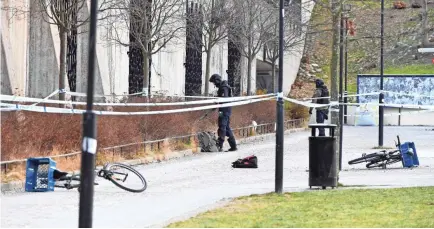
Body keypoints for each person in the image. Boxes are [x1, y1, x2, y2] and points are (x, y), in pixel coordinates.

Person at [209, 73, 237, 152]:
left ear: (217, 80)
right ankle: (233, 146)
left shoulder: (224, 87)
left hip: (224, 110)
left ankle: (219, 145)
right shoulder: (223, 87)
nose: (214, 84)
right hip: (223, 109)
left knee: (222, 126)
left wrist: (218, 99)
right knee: (226, 127)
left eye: (214, 82)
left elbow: (224, 98)